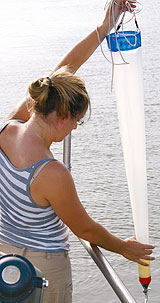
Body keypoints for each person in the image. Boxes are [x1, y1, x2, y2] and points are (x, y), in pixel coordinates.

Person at [0, 1, 155, 303]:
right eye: (75, 122)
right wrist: (124, 247)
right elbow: (84, 227)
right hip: (43, 270)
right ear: (61, 116)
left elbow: (61, 73)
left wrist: (104, 26)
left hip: (7, 258)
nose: (72, 130)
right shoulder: (50, 173)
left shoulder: (8, 128)